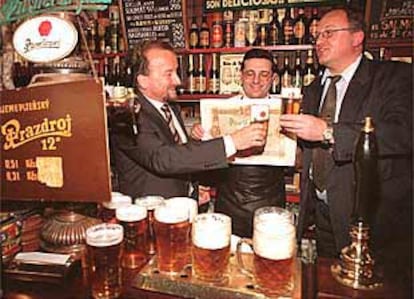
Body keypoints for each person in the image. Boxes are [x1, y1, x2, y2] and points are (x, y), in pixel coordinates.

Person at [279, 6, 412, 285]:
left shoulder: (393, 76)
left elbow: (403, 134)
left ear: (357, 37)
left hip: (374, 219)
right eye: (317, 35)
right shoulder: (313, 88)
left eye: (328, 33)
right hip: (322, 215)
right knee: (329, 288)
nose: (319, 41)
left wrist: (329, 132)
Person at [110, 41, 267, 200]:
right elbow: (163, 159)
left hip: (181, 209)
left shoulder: (171, 108)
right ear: (143, 81)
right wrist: (232, 142)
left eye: (176, 72)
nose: (178, 81)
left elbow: (179, 153)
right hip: (151, 216)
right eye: (169, 74)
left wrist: (194, 187)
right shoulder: (125, 116)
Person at [192, 49, 286, 237]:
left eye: (264, 74)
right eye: (250, 73)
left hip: (270, 201)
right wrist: (197, 135)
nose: (256, 80)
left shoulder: (287, 111)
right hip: (229, 200)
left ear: (273, 78)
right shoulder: (222, 109)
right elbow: (204, 160)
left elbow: (299, 160)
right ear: (240, 76)